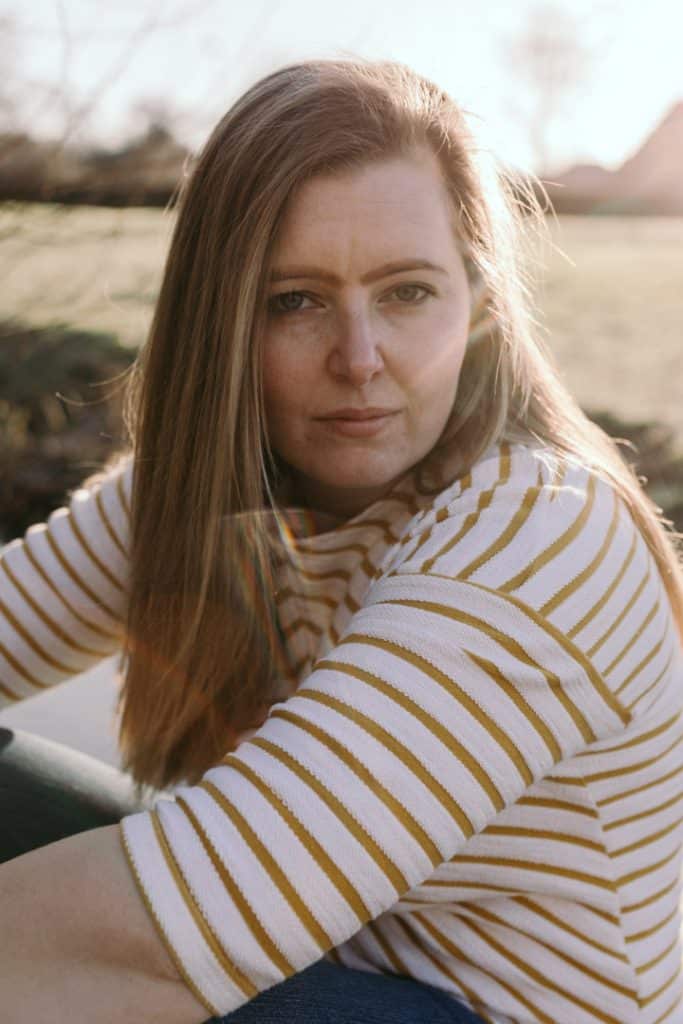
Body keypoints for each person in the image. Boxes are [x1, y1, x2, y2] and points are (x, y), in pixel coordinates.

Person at [1, 58, 682, 1024]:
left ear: (477, 306)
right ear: (223, 324)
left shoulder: (543, 533)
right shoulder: (207, 489)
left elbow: (148, 940)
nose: (358, 360)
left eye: (406, 294)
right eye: (295, 301)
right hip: (335, 978)